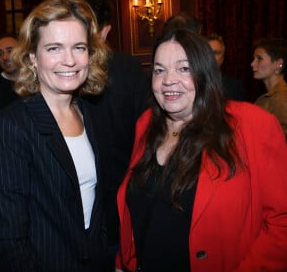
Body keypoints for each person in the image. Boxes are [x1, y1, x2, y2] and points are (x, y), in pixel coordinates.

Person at [115, 29, 287, 272]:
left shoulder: (253, 125)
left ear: (205, 73)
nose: (168, 80)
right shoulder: (146, 124)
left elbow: (282, 222)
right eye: (159, 70)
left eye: (184, 68)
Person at [0, 0, 110, 271]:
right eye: (54, 48)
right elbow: (7, 240)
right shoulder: (12, 126)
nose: (69, 60)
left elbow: (96, 207)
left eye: (79, 47)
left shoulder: (87, 113)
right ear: (32, 57)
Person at [84, 0, 151, 270]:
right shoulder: (131, 69)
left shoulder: (62, 71)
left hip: (96, 201)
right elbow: (147, 130)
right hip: (125, 191)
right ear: (107, 29)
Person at [251, 37, 287, 140]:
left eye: (259, 58)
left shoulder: (281, 98)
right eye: (254, 59)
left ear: (279, 64)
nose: (252, 64)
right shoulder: (271, 96)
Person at [206, 33, 245, 101]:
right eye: (208, 52)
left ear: (223, 57)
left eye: (216, 53)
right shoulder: (189, 82)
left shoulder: (235, 86)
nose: (211, 56)